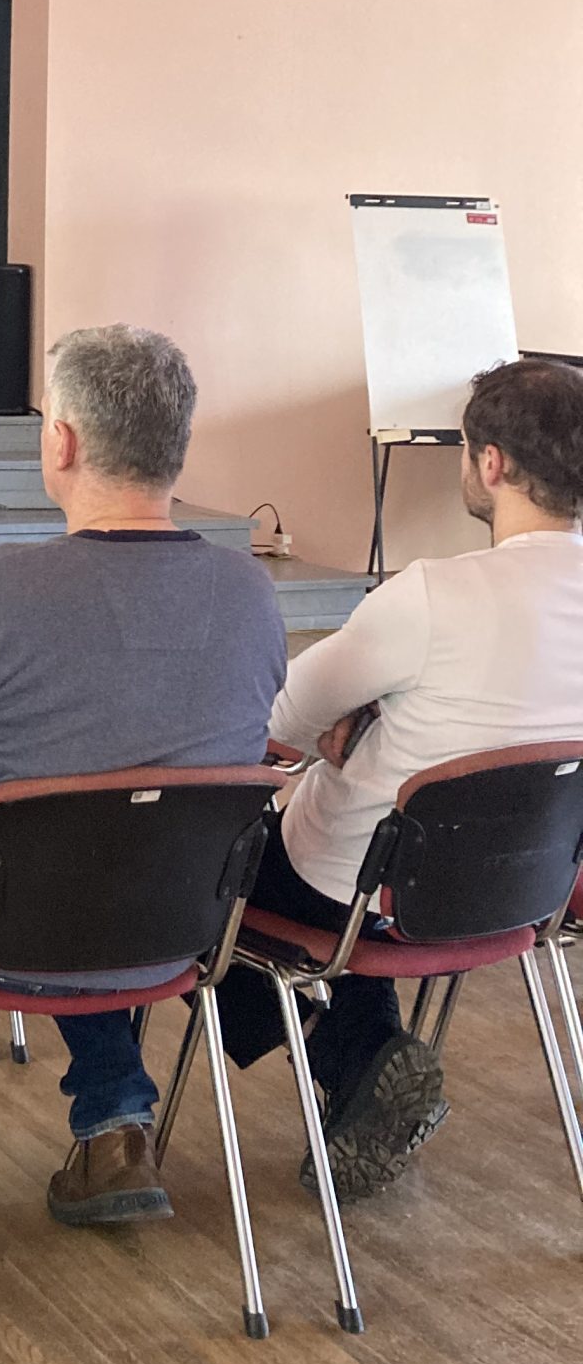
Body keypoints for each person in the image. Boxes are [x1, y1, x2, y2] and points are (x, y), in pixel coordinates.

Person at [0, 325, 285, 1256]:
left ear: (60, 441)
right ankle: (117, 1128)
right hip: (176, 925)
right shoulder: (253, 596)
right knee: (104, 847)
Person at [219, 355, 583, 1200]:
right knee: (353, 859)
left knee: (202, 878)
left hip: (364, 896)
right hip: (525, 892)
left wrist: (352, 718)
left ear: (490, 462)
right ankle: (366, 1072)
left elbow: (278, 720)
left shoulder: (429, 596)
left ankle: (358, 1062)